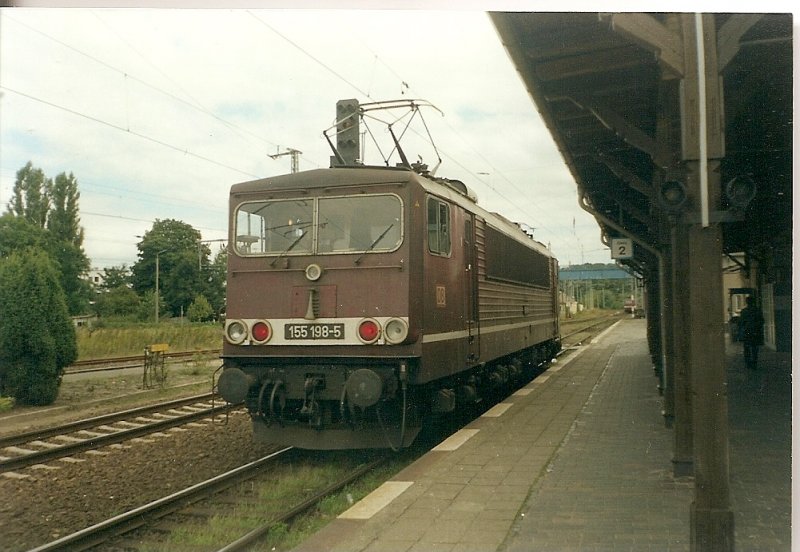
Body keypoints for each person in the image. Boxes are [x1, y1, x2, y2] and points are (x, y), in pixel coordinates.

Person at [738, 296, 765, 370]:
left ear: (747, 302)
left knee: (746, 348)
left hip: (747, 331)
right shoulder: (757, 310)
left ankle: (748, 364)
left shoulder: (744, 311)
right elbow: (762, 321)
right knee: (754, 348)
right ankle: (754, 363)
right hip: (755, 331)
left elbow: (741, 322)